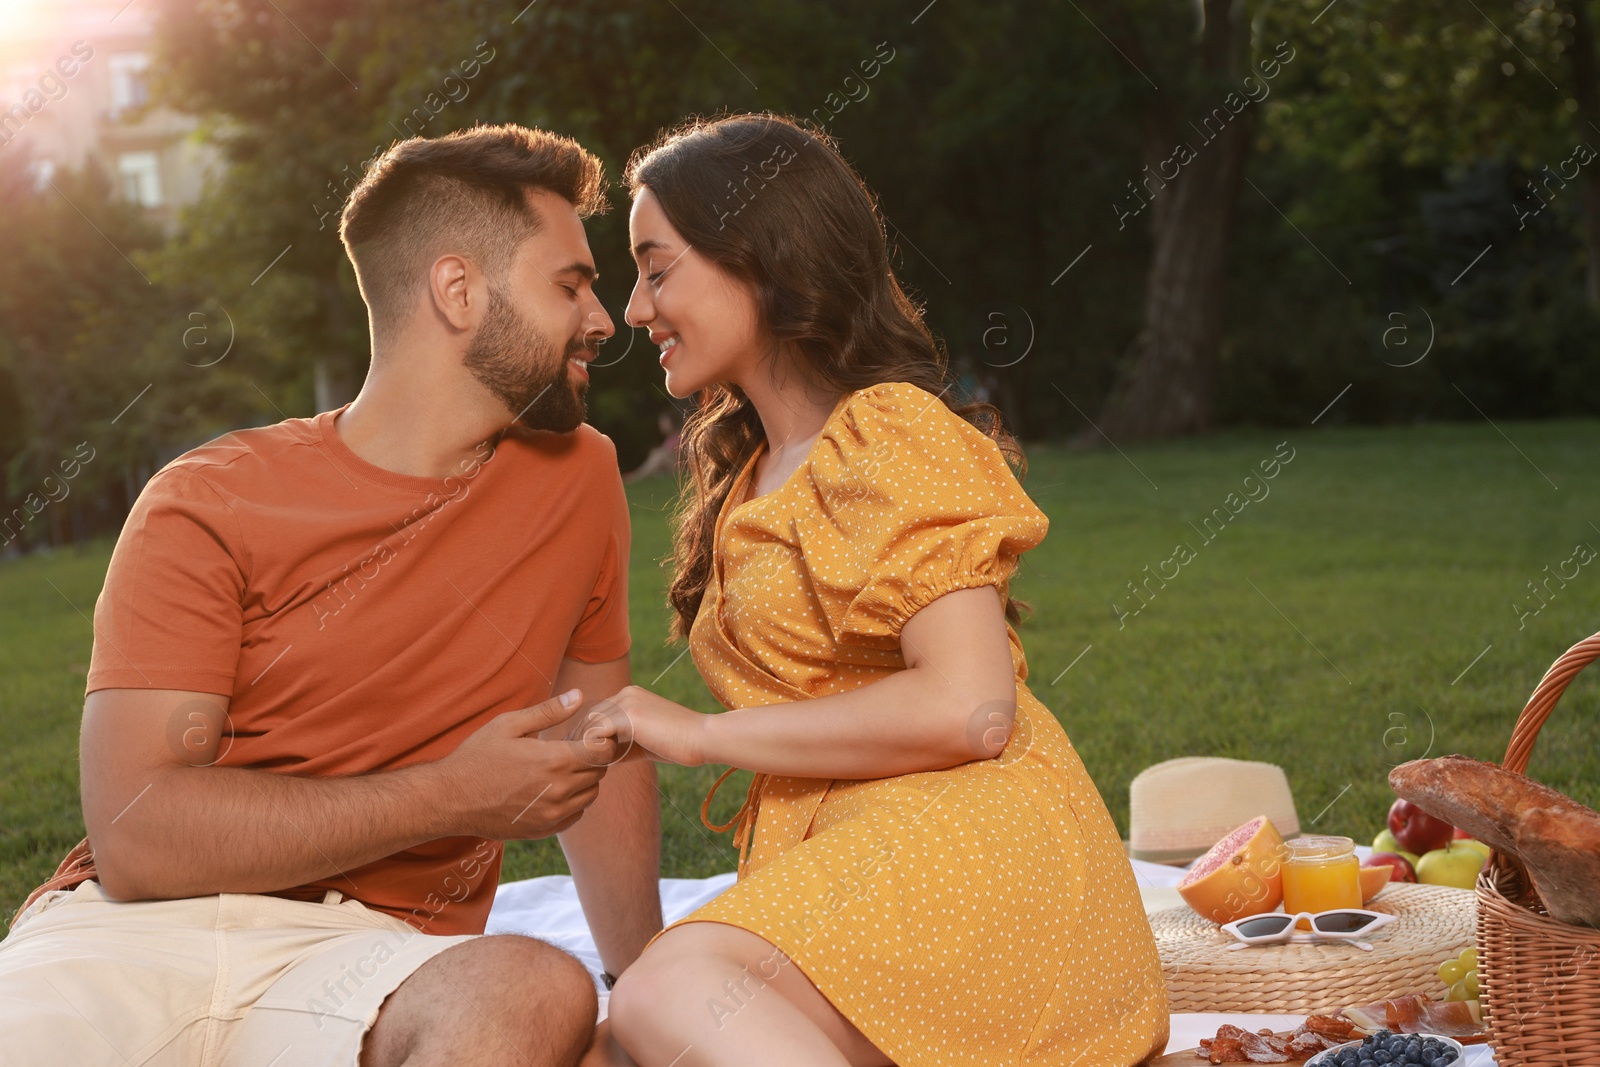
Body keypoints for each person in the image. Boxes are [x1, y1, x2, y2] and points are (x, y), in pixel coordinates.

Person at [0, 124, 663, 1066]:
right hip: (130, 938)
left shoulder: (580, 479)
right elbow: (140, 832)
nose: (604, 319)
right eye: (570, 284)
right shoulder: (207, 497)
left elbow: (598, 739)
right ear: (458, 290)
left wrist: (643, 986)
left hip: (375, 957)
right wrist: (447, 796)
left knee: (529, 988)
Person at [572, 114, 1169, 1067]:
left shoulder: (884, 429)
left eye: (657, 266)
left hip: (975, 857)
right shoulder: (751, 469)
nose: (636, 309)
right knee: (614, 1049)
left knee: (676, 993)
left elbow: (971, 709)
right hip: (868, 869)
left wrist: (693, 733)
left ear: (756, 257)